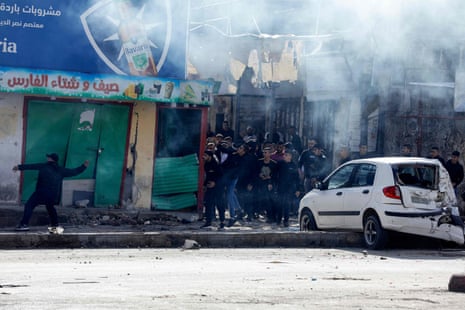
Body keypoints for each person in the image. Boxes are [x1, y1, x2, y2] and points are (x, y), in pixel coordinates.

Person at [13, 153, 89, 233]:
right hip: (53, 194)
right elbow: (74, 172)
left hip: (41, 192)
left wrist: (19, 167)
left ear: (50, 159)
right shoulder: (61, 170)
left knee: (29, 205)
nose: (47, 158)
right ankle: (55, 226)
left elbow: (31, 166)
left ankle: (24, 225)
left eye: (48, 157)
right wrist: (83, 167)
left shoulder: (43, 166)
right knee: (50, 208)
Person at [275, 149, 301, 227]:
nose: (285, 156)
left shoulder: (293, 165)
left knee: (287, 204)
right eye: (284, 155)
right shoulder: (279, 164)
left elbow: (297, 178)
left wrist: (298, 189)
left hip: (290, 188)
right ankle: (278, 220)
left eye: (287, 155)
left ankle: (286, 221)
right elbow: (275, 175)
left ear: (290, 156)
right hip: (280, 187)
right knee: (279, 204)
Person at [201, 150, 224, 229]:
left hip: (218, 187)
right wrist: (204, 185)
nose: (204, 157)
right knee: (208, 203)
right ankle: (208, 221)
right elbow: (207, 176)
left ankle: (222, 221)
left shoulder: (216, 164)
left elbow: (221, 176)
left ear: (210, 156)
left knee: (219, 204)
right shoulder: (206, 164)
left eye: (205, 155)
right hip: (210, 186)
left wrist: (215, 183)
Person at [255, 146, 278, 223]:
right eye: (263, 152)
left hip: (270, 184)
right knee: (264, 200)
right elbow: (256, 172)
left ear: (269, 154)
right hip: (261, 183)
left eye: (266, 152)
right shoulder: (259, 162)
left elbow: (275, 175)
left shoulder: (274, 164)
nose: (264, 154)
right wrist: (259, 175)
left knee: (271, 200)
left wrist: (270, 180)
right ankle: (267, 215)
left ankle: (272, 217)